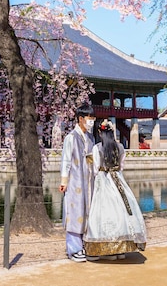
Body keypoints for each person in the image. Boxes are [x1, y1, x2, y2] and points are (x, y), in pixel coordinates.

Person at [84, 119, 146, 261]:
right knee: (122, 211)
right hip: (118, 179)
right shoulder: (120, 147)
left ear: (100, 133)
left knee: (104, 212)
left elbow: (95, 168)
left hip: (103, 179)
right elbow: (121, 166)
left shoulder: (97, 148)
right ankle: (121, 250)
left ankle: (107, 249)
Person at [59, 103, 95, 263]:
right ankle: (74, 249)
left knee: (87, 212)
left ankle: (85, 245)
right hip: (75, 181)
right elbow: (66, 160)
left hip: (89, 181)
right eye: (89, 118)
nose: (91, 121)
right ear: (81, 119)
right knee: (74, 213)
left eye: (93, 118)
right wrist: (64, 180)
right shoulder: (71, 138)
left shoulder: (90, 138)